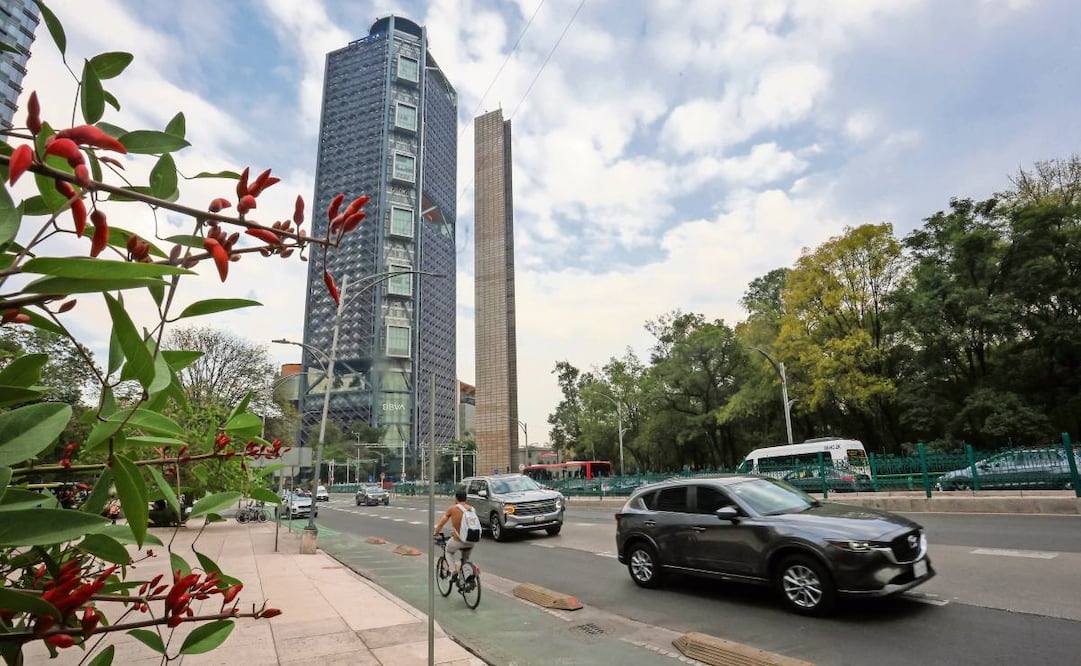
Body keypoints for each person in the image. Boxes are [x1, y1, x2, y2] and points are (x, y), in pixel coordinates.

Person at [433, 487, 478, 583]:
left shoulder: (452, 508)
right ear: (466, 498)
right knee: (465, 559)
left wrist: (436, 532)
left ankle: (453, 571)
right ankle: (466, 579)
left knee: (448, 551)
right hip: (472, 541)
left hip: (458, 540)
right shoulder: (472, 509)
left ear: (456, 498)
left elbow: (442, 522)